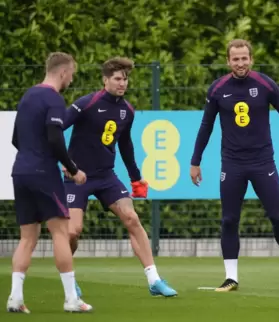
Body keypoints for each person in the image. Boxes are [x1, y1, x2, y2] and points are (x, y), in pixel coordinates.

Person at [190, 39, 279, 292]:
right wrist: (195, 161)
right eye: (235, 59)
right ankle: (231, 277)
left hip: (262, 161)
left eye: (244, 58)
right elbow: (206, 126)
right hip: (232, 164)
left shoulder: (265, 84)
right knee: (229, 220)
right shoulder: (217, 89)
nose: (240, 63)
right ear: (228, 61)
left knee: (277, 216)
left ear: (251, 59)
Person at [62, 57, 177, 298]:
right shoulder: (87, 103)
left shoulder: (128, 110)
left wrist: (136, 179)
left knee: (131, 218)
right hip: (78, 177)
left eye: (125, 79)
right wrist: (65, 164)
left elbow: (125, 146)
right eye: (117, 79)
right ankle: (69, 280)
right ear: (105, 80)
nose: (122, 83)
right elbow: (56, 127)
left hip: (106, 176)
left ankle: (154, 279)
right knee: (73, 232)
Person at [7, 52, 93, 313]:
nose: (71, 80)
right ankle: (71, 299)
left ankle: (15, 298)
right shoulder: (54, 99)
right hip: (43, 173)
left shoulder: (28, 96)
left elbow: (15, 139)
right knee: (60, 232)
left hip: (20, 172)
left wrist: (34, 154)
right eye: (72, 75)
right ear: (63, 72)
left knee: (27, 238)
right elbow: (56, 139)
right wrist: (73, 169)